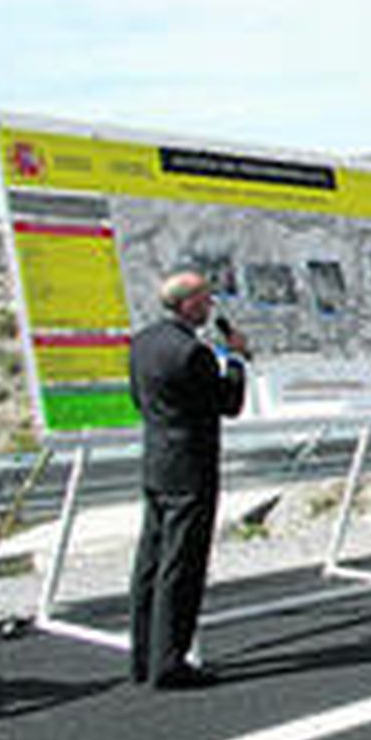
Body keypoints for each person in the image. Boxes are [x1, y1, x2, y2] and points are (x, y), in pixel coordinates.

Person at [128, 270, 248, 690]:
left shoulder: (142, 343)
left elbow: (138, 400)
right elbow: (228, 404)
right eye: (206, 300)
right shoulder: (192, 353)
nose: (211, 306)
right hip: (191, 467)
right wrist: (234, 359)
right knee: (183, 565)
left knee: (151, 560)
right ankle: (170, 662)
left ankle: (143, 656)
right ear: (190, 304)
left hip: (157, 461)